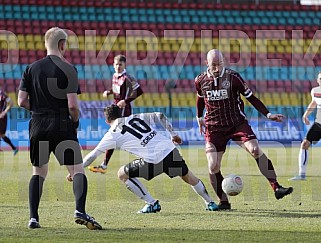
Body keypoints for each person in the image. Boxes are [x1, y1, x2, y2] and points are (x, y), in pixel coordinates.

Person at [17, 27, 102, 230]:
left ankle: (33, 218)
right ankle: (80, 210)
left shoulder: (30, 68)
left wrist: (37, 109)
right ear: (62, 45)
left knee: (38, 172)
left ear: (45, 44)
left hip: (37, 124)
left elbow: (21, 101)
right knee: (77, 169)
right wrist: (74, 122)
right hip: (62, 123)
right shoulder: (68, 69)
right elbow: (73, 106)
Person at [68, 104, 219, 213]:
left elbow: (93, 154)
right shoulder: (134, 117)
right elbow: (159, 115)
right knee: (187, 176)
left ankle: (151, 203)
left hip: (153, 160)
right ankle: (210, 202)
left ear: (107, 121)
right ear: (120, 114)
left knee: (122, 173)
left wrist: (75, 170)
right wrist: (173, 134)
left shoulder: (112, 133)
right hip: (169, 149)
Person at [194, 49, 293, 210]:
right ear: (207, 64)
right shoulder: (200, 80)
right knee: (213, 166)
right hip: (214, 127)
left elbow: (251, 97)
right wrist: (199, 118)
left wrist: (268, 114)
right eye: (213, 65)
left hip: (236, 123)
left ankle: (276, 187)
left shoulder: (234, 78)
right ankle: (224, 202)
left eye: (219, 64)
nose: (217, 68)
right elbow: (200, 99)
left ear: (224, 62)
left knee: (255, 149)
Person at [89, 54, 144, 174]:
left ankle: (148, 156)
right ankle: (104, 165)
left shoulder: (127, 77)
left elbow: (139, 91)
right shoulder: (115, 76)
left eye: (120, 64)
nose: (118, 66)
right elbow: (116, 91)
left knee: (119, 136)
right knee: (115, 136)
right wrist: (109, 92)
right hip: (115, 109)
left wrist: (126, 101)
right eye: (116, 64)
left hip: (124, 110)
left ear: (124, 65)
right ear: (113, 65)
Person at [289, 71, 321, 181]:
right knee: (304, 144)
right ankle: (302, 174)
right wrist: (305, 115)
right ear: (317, 80)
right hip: (318, 124)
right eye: (320, 78)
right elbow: (314, 103)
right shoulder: (315, 91)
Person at [0, 88, 18, 154]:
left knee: (2, 135)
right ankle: (14, 148)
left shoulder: (2, 94)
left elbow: (11, 103)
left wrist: (4, 112)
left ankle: (14, 148)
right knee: (2, 135)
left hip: (2, 118)